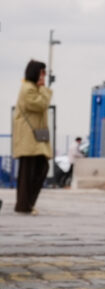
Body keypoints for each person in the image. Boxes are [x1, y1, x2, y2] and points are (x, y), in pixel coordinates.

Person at [12, 59, 53, 214]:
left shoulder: (33, 88)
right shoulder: (28, 88)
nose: (44, 76)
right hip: (28, 139)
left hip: (34, 138)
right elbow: (40, 104)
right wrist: (43, 89)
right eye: (42, 73)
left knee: (39, 168)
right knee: (28, 172)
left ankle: (26, 204)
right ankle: (24, 205)